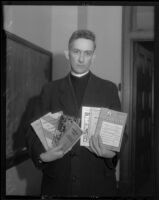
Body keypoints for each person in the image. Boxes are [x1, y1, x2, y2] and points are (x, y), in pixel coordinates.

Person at [25, 29, 122, 197]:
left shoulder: (109, 89)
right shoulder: (50, 90)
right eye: (76, 52)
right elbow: (32, 132)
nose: (82, 59)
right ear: (67, 53)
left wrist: (110, 154)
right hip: (58, 182)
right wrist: (43, 156)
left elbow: (120, 134)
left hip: (98, 182)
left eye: (87, 53)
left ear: (94, 57)